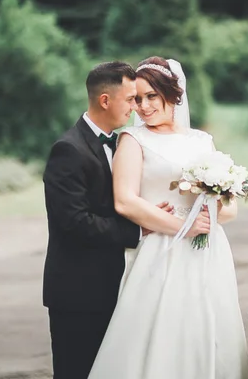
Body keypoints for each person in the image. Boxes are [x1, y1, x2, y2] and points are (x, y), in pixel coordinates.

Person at [88, 57, 248, 379]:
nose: (143, 107)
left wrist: (212, 216)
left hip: (209, 252)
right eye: (137, 99)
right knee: (163, 328)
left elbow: (229, 206)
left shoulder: (201, 141)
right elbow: (125, 202)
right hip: (162, 250)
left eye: (152, 96)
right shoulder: (133, 140)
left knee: (208, 322)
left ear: (173, 94)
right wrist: (184, 227)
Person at [42, 62, 180, 378]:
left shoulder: (119, 143)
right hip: (78, 292)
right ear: (106, 100)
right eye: (131, 99)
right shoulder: (68, 150)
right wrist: (139, 228)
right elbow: (75, 222)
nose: (137, 107)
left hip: (115, 284)